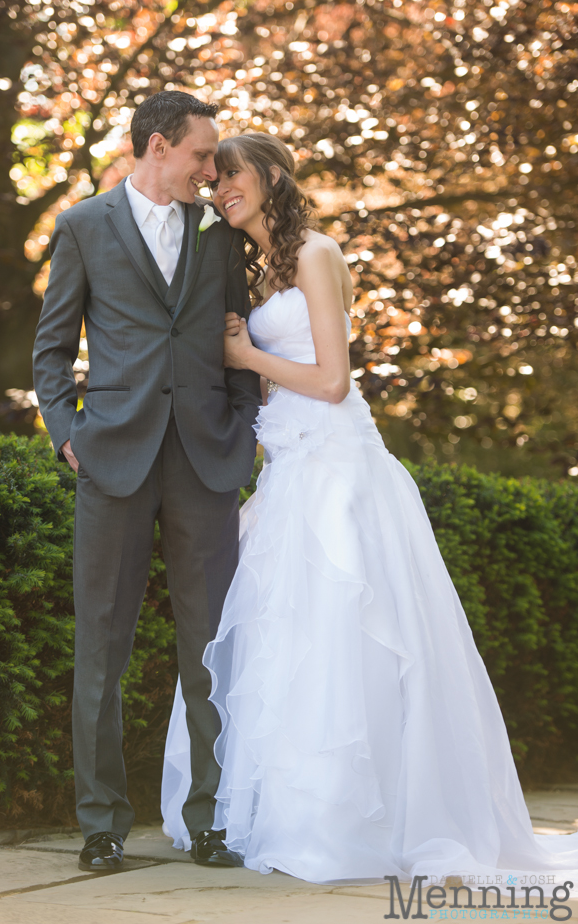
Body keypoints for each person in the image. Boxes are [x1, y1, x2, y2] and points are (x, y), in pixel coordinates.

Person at [161, 132, 578, 888]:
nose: (221, 188)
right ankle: (291, 811)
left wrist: (246, 357)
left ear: (271, 177)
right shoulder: (250, 270)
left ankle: (358, 818)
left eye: (233, 175)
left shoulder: (317, 252)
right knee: (282, 640)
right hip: (286, 468)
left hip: (337, 466)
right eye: (214, 179)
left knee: (342, 630)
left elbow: (328, 380)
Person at [33, 91, 261, 872]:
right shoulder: (83, 227)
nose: (212, 168)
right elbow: (52, 350)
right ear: (158, 146)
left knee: (212, 650)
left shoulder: (220, 237)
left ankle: (211, 820)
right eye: (202, 154)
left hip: (205, 462)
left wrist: (242, 430)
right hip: (113, 460)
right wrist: (68, 435)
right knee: (102, 646)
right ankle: (101, 824)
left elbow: (238, 338)